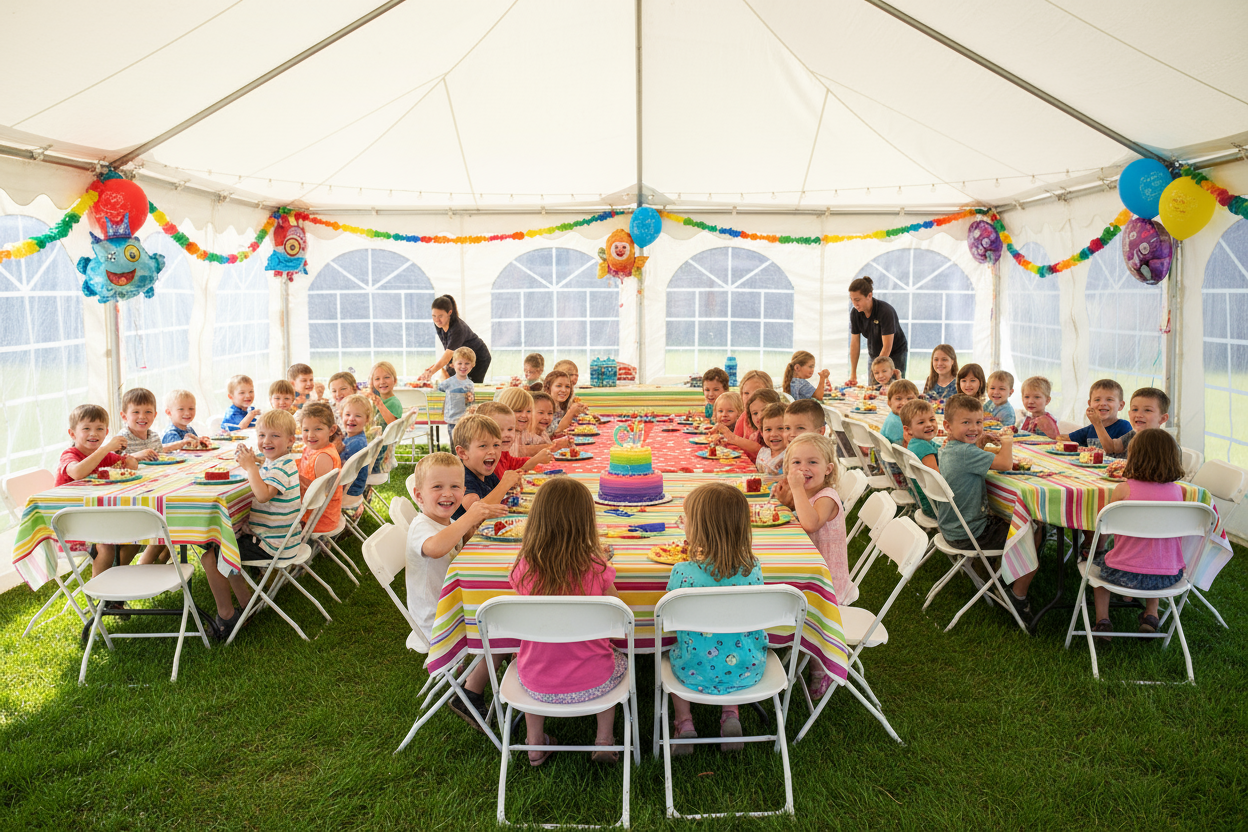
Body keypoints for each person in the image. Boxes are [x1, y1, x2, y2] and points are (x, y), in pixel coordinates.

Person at [509, 477, 625, 765]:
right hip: (595, 677)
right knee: (614, 657)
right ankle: (604, 741)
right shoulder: (596, 567)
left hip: (535, 680)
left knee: (528, 657)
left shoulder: (522, 569)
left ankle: (534, 743)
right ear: (586, 522)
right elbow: (620, 614)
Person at [664, 482, 769, 754]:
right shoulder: (753, 569)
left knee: (672, 653)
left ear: (697, 529)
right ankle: (731, 714)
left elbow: (667, 618)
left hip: (692, 669)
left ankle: (684, 722)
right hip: (747, 669)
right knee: (732, 644)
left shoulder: (682, 573)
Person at [200, 409, 301, 641]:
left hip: (274, 544)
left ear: (290, 441)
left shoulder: (279, 467)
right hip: (281, 537)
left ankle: (227, 616)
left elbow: (263, 495)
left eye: (275, 436)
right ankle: (248, 602)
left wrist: (251, 468)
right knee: (230, 542)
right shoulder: (280, 462)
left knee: (211, 555)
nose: (266, 441)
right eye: (262, 435)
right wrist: (256, 464)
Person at [938, 394, 1036, 616]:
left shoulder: (948, 447)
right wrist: (1007, 441)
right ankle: (1016, 595)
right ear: (947, 426)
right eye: (966, 423)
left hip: (951, 528)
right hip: (971, 533)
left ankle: (997, 571)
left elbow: (972, 457)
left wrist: (979, 444)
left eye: (979, 422)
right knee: (1032, 529)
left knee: (1010, 520)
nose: (974, 428)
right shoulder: (965, 452)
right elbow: (1005, 463)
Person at [1090, 428, 1190, 640]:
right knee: (1155, 559)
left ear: (1133, 457)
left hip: (1122, 573)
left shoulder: (1124, 490)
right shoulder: (1179, 492)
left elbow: (1106, 527)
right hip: (1169, 577)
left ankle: (1103, 622)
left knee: (1097, 573)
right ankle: (1151, 615)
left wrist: (1097, 548)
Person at [405, 452, 508, 644]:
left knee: (504, 604)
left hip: (455, 602)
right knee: (504, 619)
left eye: (455, 486)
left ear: (464, 489)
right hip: (438, 619)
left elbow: (456, 549)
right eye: (437, 487)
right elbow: (436, 548)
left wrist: (470, 530)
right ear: (419, 495)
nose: (447, 493)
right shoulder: (421, 526)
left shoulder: (447, 522)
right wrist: (469, 518)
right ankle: (477, 673)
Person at [57, 404, 140, 623]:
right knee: (107, 545)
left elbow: (130, 466)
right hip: (72, 525)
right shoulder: (70, 455)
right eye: (86, 429)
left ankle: (115, 590)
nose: (94, 434)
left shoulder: (104, 456)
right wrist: (106, 449)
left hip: (100, 518)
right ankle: (101, 598)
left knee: (135, 539)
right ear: (73, 433)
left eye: (100, 429)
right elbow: (77, 472)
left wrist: (128, 459)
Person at [784, 433, 852, 692]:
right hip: (808, 570)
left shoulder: (827, 496)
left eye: (812, 462)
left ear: (828, 469)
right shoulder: (807, 493)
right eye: (796, 463)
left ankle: (820, 665)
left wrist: (796, 489)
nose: (803, 468)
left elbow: (810, 522)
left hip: (826, 585)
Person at [451, 414, 523, 521]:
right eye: (483, 446)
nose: (492, 451)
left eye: (496, 445)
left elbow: (500, 499)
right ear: (463, 453)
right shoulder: (461, 478)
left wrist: (511, 488)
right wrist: (504, 484)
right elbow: (474, 513)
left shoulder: (486, 473)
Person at [847, 275, 909, 385]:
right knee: (873, 388)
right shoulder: (855, 313)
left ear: (869, 295)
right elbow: (855, 344)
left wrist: (878, 370)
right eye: (852, 300)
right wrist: (853, 373)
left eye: (857, 300)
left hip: (895, 352)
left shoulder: (885, 311)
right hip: (875, 352)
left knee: (894, 388)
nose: (854, 304)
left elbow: (887, 346)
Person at [420, 295, 492, 384]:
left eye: (440, 316)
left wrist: (431, 372)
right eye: (434, 316)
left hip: (479, 358)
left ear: (449, 312)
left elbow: (448, 355)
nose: (437, 319)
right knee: (451, 383)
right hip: (461, 357)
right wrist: (431, 369)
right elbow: (448, 350)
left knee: (470, 388)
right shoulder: (439, 324)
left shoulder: (458, 328)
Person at [296, 402, 342, 534]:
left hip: (318, 519)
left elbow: (317, 496)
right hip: (314, 512)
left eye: (318, 429)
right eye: (306, 430)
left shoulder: (323, 457)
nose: (310, 435)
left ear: (331, 430)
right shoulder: (314, 448)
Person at [1092, 387, 1171, 458]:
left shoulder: (1165, 444)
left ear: (1163, 419)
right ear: (1129, 414)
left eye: (1147, 410)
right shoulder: (1132, 435)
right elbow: (1111, 448)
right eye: (1135, 410)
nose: (1139, 415)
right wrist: (1097, 423)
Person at [475, 402, 553, 473]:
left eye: (510, 429)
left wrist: (536, 459)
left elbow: (513, 463)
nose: (507, 435)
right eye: (499, 430)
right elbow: (503, 484)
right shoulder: (488, 460)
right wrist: (532, 462)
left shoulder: (502, 453)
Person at [899, 399, 940, 518]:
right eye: (921, 422)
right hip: (934, 505)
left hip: (921, 499)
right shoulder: (923, 449)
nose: (929, 424)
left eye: (932, 419)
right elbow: (937, 480)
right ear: (908, 430)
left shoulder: (916, 442)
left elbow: (939, 448)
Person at [1061, 379, 1130, 450]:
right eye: (1097, 400)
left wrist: (1097, 424)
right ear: (1089, 404)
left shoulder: (1124, 427)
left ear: (1121, 405)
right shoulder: (1090, 429)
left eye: (1109, 399)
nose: (1103, 403)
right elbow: (1065, 439)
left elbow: (1111, 450)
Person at [717, 388, 780, 460]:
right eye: (755, 413)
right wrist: (725, 441)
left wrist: (733, 438)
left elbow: (764, 452)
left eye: (764, 410)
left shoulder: (780, 434)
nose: (759, 417)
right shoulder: (754, 436)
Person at [339, 394, 375, 509]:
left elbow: (338, 466)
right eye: (347, 414)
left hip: (348, 491)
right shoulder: (353, 437)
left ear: (367, 419)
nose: (351, 419)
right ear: (341, 416)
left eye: (358, 416)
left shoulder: (357, 444)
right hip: (352, 486)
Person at [438, 347, 477, 444]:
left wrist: (471, 399)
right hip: (452, 420)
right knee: (454, 444)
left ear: (472, 365)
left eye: (467, 363)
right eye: (460, 363)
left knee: (466, 444)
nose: (463, 366)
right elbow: (439, 389)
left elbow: (471, 401)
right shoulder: (448, 382)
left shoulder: (470, 384)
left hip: (465, 420)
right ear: (453, 365)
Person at [116, 388, 162, 461]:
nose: (142, 416)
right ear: (124, 416)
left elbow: (160, 460)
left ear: (154, 415)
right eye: (136, 412)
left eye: (148, 412)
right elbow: (113, 464)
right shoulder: (121, 440)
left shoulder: (155, 437)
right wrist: (135, 457)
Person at [543, 369, 587, 436]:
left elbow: (563, 423)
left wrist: (577, 413)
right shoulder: (544, 408)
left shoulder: (559, 406)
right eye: (559, 386)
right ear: (548, 388)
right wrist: (571, 411)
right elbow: (556, 431)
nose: (564, 390)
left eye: (567, 386)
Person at [733, 370, 774, 438]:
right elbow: (735, 441)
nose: (750, 398)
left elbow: (763, 448)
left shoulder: (774, 419)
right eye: (746, 393)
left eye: (756, 393)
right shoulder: (744, 417)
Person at [755, 402, 788, 479]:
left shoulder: (791, 456)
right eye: (768, 429)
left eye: (780, 428)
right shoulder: (762, 453)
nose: (774, 434)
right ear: (762, 433)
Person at [881, 380, 919, 444]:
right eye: (898, 399)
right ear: (889, 403)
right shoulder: (897, 423)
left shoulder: (895, 416)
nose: (904, 403)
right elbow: (902, 449)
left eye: (909, 399)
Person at [367, 361, 404, 427]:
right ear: (373, 382)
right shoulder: (377, 399)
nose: (382, 382)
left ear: (395, 380)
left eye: (386, 377)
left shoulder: (394, 403)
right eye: (377, 379)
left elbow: (393, 426)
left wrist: (379, 403)